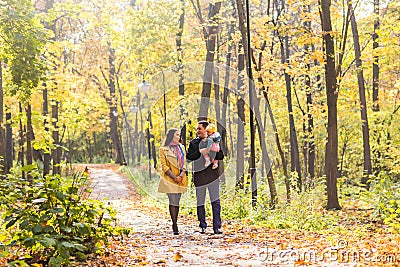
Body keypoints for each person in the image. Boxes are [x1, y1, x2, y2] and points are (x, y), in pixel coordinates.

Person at [187, 121, 224, 234]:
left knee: (215, 202)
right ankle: (202, 225)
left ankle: (216, 227)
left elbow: (221, 155)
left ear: (206, 130)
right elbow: (189, 157)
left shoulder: (213, 141)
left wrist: (210, 151)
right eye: (197, 129)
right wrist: (200, 151)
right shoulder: (193, 143)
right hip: (199, 177)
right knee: (200, 202)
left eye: (200, 129)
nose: (198, 131)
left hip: (213, 176)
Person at [158, 128, 188, 235]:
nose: (179, 137)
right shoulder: (163, 149)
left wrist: (180, 175)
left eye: (179, 135)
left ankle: (176, 220)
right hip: (169, 178)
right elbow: (164, 166)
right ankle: (174, 223)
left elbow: (185, 163)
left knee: (177, 201)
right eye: (177, 135)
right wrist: (174, 177)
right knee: (172, 200)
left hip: (181, 178)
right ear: (171, 136)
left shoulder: (182, 147)